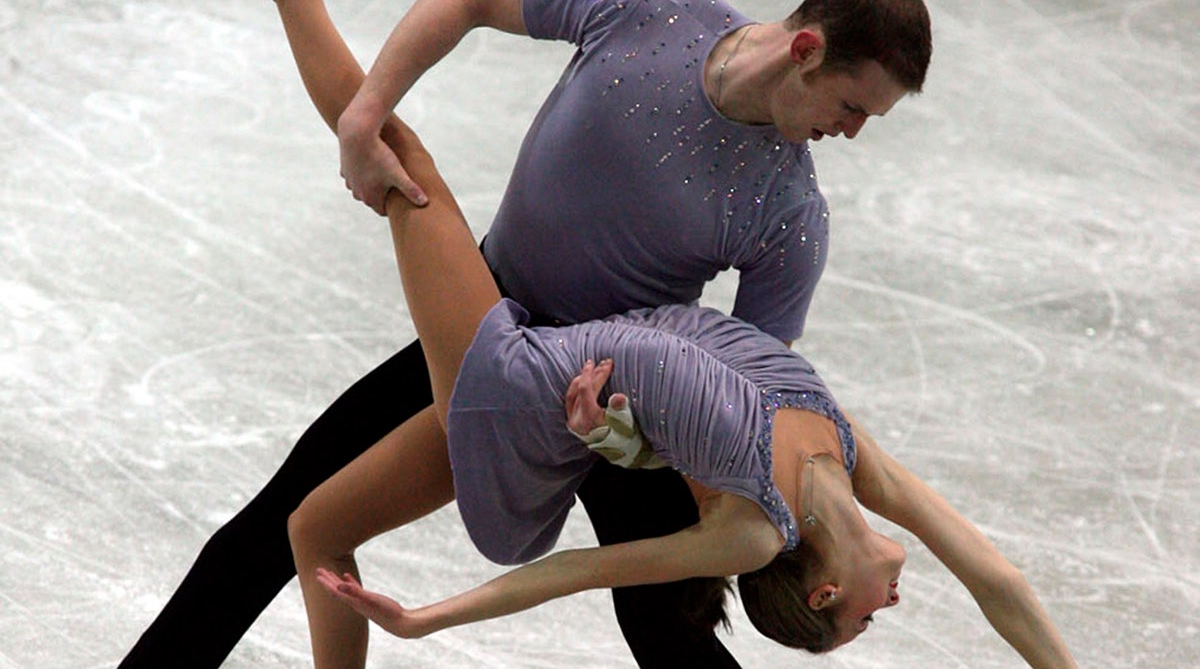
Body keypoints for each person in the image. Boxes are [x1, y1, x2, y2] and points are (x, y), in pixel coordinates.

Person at [119, 0, 933, 666]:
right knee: (275, 529)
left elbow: (748, 408)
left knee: (670, 632)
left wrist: (623, 439)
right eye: (854, 105)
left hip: (625, 402)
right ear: (805, 50)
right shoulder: (652, 15)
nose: (853, 133)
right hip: (486, 338)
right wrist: (364, 118)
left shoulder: (790, 213)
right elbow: (469, 0)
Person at [300, 111, 1079, 667]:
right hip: (569, 343)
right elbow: (997, 578)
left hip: (513, 386)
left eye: (865, 622)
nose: (893, 608)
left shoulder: (751, 532)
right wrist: (610, 437)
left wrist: (423, 621)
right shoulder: (848, 455)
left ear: (825, 590)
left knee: (396, 158)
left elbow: (572, 572)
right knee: (312, 525)